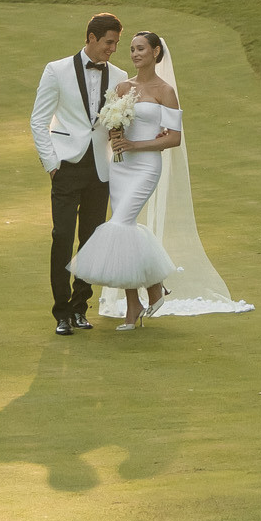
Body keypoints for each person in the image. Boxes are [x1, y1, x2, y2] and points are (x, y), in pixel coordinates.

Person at [73, 30, 185, 329]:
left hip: (146, 166)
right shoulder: (123, 87)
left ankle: (154, 287)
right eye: (132, 49)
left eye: (141, 49)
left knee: (120, 223)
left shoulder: (165, 91)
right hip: (120, 166)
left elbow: (174, 138)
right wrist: (115, 131)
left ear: (155, 52)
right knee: (126, 229)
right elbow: (112, 123)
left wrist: (136, 144)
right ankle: (135, 303)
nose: (135, 54)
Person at [30, 13, 125, 334]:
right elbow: (38, 120)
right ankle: (61, 313)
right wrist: (52, 164)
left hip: (101, 168)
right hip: (66, 166)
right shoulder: (56, 70)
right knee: (62, 236)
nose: (113, 49)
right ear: (91, 38)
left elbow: (116, 122)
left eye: (116, 43)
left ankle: (80, 307)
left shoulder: (120, 76)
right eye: (109, 42)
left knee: (91, 240)